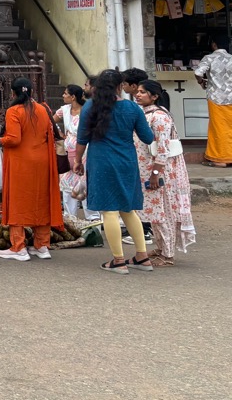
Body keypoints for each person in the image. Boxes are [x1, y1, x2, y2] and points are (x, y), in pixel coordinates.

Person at [75, 69, 155, 274]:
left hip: (101, 161)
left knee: (108, 210)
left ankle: (118, 261)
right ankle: (142, 256)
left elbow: (82, 139)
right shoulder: (132, 108)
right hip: (127, 161)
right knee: (128, 209)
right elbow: (148, 138)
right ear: (120, 86)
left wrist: (77, 161)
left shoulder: (90, 107)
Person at [0, 78, 63, 261]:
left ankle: (19, 247)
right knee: (41, 200)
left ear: (12, 93)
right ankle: (42, 246)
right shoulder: (43, 109)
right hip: (42, 161)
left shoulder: (13, 111)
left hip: (21, 162)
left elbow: (14, 139)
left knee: (18, 201)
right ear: (31, 92)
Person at [133, 80, 196, 267]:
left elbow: (162, 148)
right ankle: (160, 248)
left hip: (161, 171)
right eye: (138, 91)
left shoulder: (159, 116)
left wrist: (155, 173)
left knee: (163, 211)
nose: (138, 94)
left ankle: (167, 255)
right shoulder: (145, 114)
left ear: (154, 96)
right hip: (147, 169)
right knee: (154, 211)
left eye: (143, 92)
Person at [194, 37, 232, 167]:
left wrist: (201, 82)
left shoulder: (209, 58)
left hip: (216, 97)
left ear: (214, 45)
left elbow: (198, 72)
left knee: (218, 128)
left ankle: (221, 159)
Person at [53, 84, 85, 218]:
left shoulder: (86, 110)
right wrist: (59, 133)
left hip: (84, 149)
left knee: (84, 182)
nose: (63, 96)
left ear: (73, 97)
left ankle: (92, 218)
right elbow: (50, 121)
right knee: (67, 182)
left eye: (66, 93)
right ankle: (70, 218)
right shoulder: (64, 110)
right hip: (67, 148)